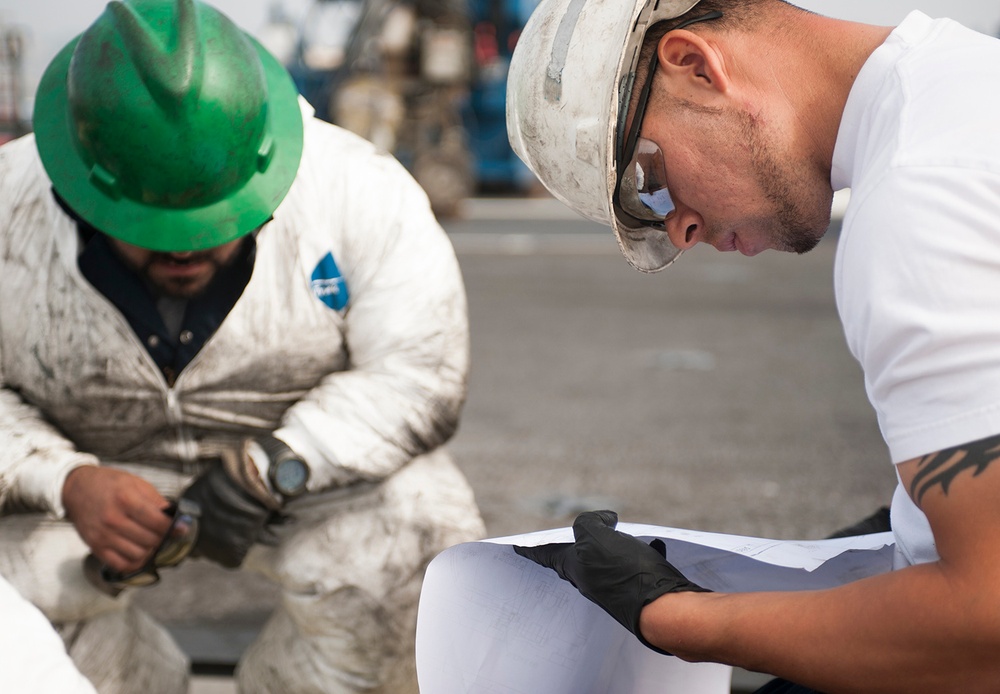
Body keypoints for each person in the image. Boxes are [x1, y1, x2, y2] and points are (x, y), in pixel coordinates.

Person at [506, 0, 1000, 691]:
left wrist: (673, 620)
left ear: (695, 66)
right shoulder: (968, 85)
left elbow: (985, 625)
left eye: (645, 187)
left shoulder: (918, 203)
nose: (678, 231)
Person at [0, 0, 485, 691]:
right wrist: (62, 478)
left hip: (302, 473)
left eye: (218, 213)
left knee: (418, 553)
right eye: (155, 226)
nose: (189, 247)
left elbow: (418, 373)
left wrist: (276, 466)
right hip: (80, 475)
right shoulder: (5, 204)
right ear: (83, 179)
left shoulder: (362, 190)